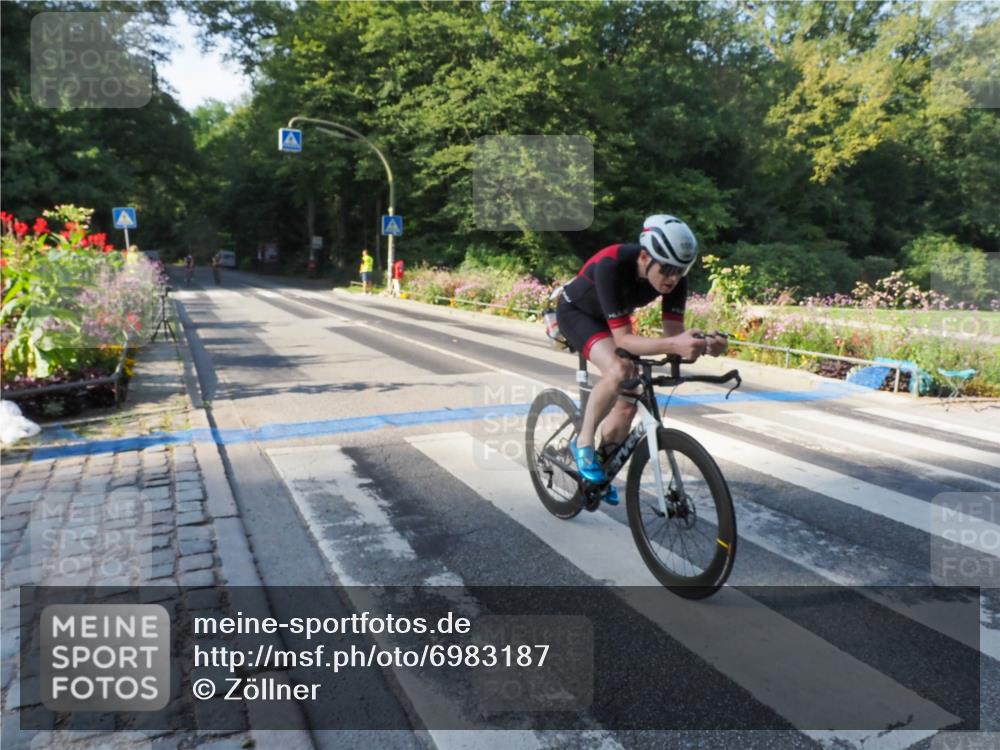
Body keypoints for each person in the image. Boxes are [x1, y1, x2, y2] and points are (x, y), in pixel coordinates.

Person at [555, 214, 728, 505]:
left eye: (681, 271)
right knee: (620, 368)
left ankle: (600, 463)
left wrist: (704, 345)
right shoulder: (613, 264)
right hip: (577, 314)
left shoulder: (675, 282)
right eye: (668, 269)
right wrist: (675, 342)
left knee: (628, 402)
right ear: (646, 256)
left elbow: (672, 336)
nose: (674, 278)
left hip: (612, 321)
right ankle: (582, 442)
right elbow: (622, 340)